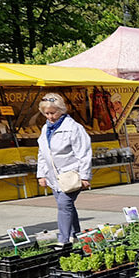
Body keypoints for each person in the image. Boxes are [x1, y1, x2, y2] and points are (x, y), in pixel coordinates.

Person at [36, 93, 92, 245]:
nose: (50, 117)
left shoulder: (73, 128)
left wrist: (85, 176)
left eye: (53, 113)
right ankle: (76, 235)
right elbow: (42, 153)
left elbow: (84, 153)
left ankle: (63, 239)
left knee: (63, 205)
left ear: (61, 110)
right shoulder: (45, 128)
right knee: (67, 206)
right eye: (46, 113)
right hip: (54, 177)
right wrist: (41, 174)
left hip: (71, 175)